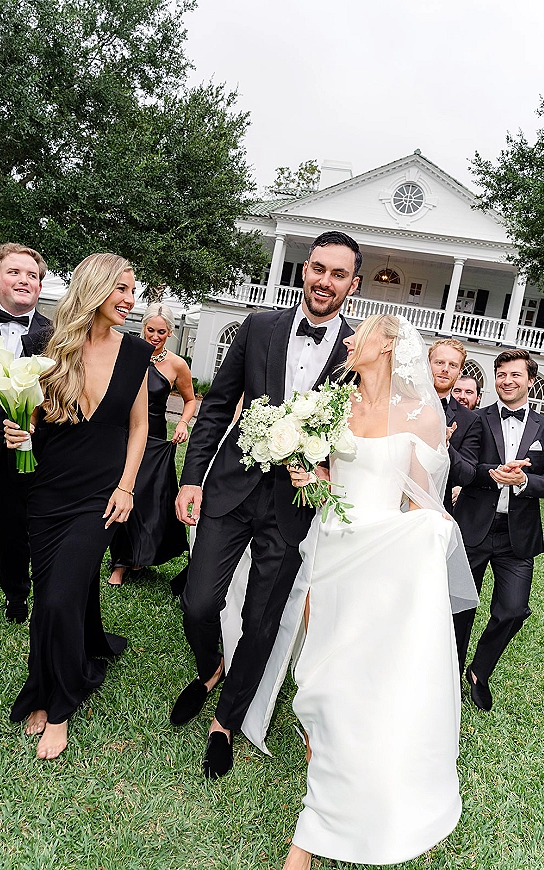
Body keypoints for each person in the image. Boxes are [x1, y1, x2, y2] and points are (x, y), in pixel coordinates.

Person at [281, 314, 478, 870]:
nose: (347, 341)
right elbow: (332, 479)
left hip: (380, 561)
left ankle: (311, 832)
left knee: (357, 687)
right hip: (330, 550)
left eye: (359, 335)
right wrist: (314, 480)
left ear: (387, 345)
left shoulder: (421, 415)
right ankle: (329, 761)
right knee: (318, 677)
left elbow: (422, 507)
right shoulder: (335, 405)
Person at [171, 231, 360, 779]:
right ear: (305, 269)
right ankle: (210, 668)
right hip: (230, 489)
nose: (325, 281)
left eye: (338, 274)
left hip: (292, 508)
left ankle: (225, 722)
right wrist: (191, 479)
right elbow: (215, 408)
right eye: (318, 268)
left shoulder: (359, 352)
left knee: (262, 622)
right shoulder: (258, 327)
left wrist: (326, 468)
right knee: (199, 603)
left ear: (353, 282)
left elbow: (361, 433)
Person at [4, 253, 151, 759]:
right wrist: (18, 430)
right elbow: (34, 419)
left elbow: (139, 426)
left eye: (134, 290)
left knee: (63, 596)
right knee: (48, 598)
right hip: (48, 490)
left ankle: (60, 708)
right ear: (95, 289)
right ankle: (42, 691)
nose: (131, 300)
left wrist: (128, 485)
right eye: (122, 289)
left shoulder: (135, 352)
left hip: (101, 494)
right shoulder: (44, 345)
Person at [453, 349, 544, 712]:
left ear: (530, 380)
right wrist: (492, 473)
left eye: (515, 375)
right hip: (473, 528)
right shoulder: (476, 420)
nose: (507, 381)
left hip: (517, 535)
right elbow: (464, 466)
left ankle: (479, 671)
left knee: (514, 610)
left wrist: (522, 481)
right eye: (501, 374)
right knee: (459, 606)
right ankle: (448, 672)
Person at [108, 302, 195, 587]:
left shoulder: (177, 365)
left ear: (170, 333)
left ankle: (139, 557)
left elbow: (191, 400)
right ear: (142, 327)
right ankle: (119, 564)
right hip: (123, 434)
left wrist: (182, 423)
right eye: (150, 330)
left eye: (161, 332)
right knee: (122, 491)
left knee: (146, 501)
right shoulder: (128, 351)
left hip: (156, 441)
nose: (154, 336)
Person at [0, 243, 51, 623]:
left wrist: (34, 429)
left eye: (32, 275)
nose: (24, 280)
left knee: (13, 533)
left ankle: (17, 598)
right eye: (14, 272)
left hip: (25, 455)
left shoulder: (57, 336)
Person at [428, 338, 482, 515]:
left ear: (459, 373)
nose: (445, 368)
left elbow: (466, 475)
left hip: (435, 511)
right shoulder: (401, 402)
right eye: (439, 362)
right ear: (428, 365)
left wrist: (446, 445)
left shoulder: (469, 420)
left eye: (452, 365)